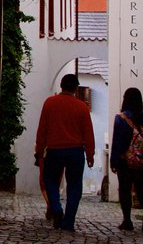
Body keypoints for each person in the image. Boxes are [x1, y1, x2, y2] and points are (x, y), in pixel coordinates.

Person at [34, 73, 95, 232]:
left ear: (61, 85)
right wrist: (90, 154)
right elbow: (88, 132)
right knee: (74, 186)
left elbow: (42, 129)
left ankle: (56, 207)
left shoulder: (50, 103)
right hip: (75, 151)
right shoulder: (81, 107)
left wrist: (39, 149)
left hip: (54, 150)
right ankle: (68, 222)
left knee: (50, 181)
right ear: (76, 88)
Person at [110, 87, 143, 232]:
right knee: (141, 189)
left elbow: (117, 142)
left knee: (125, 190)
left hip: (125, 161)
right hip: (142, 160)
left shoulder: (121, 118)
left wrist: (114, 160)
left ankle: (127, 220)